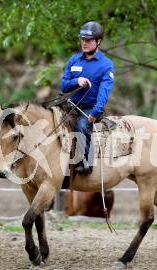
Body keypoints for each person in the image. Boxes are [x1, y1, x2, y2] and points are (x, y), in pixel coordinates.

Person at [60, 21, 115, 175]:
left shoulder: (106, 65)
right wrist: (76, 81)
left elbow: (104, 92)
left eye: (89, 40)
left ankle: (85, 163)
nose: (84, 43)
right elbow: (63, 86)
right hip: (70, 106)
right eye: (83, 39)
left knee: (82, 126)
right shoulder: (74, 60)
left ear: (98, 42)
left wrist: (96, 112)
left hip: (89, 109)